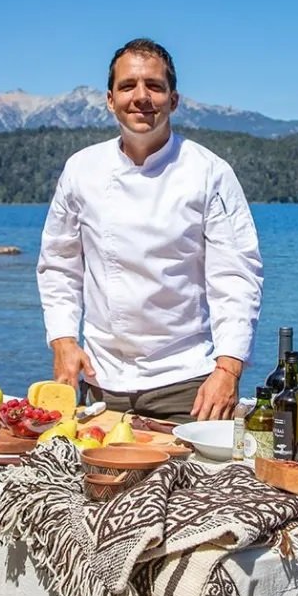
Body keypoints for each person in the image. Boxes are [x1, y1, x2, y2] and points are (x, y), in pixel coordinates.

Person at [36, 38, 263, 423]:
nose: (141, 97)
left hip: (188, 385)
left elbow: (236, 278)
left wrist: (228, 369)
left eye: (154, 86)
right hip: (100, 381)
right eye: (128, 86)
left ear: (173, 100)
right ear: (111, 100)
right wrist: (62, 341)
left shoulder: (209, 173)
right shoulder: (81, 170)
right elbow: (59, 265)